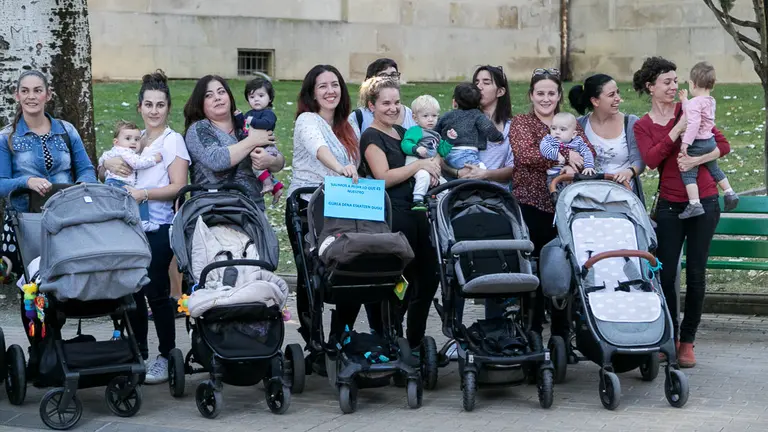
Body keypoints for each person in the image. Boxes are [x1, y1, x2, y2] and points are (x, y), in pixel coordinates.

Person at [632, 57, 731, 368]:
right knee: (665, 274)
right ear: (650, 87)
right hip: (670, 206)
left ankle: (687, 342)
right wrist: (678, 128)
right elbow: (650, 159)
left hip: (705, 201)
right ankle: (668, 336)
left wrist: (695, 162)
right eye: (667, 82)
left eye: (676, 81)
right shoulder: (643, 124)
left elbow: (723, 146)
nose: (674, 87)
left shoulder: (693, 105)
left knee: (697, 274)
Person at [0, 69, 97, 378]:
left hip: (66, 221)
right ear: (17, 96)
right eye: (25, 91)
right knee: (35, 289)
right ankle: (41, 349)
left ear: (47, 95)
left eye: (37, 90)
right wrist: (26, 180)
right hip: (26, 224)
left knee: (62, 286)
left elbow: (86, 169)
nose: (31, 96)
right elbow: (1, 183)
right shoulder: (7, 138)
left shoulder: (66, 131)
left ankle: (56, 349)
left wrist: (81, 188)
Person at [100, 70, 190, 383]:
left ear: (168, 108)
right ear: (140, 106)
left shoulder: (172, 141)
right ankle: (137, 351)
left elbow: (179, 186)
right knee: (132, 292)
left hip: (159, 227)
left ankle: (166, 354)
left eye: (160, 105)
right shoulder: (134, 139)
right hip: (129, 227)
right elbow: (110, 169)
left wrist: (144, 193)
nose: (154, 110)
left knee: (156, 291)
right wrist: (106, 163)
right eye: (148, 104)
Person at [285, 65, 360, 374]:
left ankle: (338, 337)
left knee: (354, 269)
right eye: (323, 86)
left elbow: (355, 167)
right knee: (311, 277)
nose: (330, 90)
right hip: (306, 209)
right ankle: (313, 341)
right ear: (312, 93)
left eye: (335, 84)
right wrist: (340, 168)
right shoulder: (307, 120)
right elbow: (319, 150)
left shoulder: (347, 126)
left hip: (342, 209)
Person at [509, 68, 594, 343]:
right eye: (540, 93)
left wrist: (574, 159)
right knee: (532, 269)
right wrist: (566, 157)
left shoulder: (569, 122)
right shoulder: (522, 123)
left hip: (563, 207)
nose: (546, 99)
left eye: (551, 93)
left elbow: (587, 153)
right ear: (531, 95)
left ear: (559, 96)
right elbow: (526, 155)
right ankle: (531, 332)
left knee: (563, 268)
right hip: (532, 204)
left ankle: (561, 335)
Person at [358, 76, 441, 353]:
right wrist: (420, 165)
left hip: (416, 211)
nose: (393, 108)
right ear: (372, 106)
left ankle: (414, 339)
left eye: (396, 102)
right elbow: (382, 176)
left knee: (429, 276)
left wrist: (431, 170)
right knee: (399, 277)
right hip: (392, 214)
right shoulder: (372, 136)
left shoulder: (401, 133)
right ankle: (390, 336)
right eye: (385, 103)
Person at [183, 75, 284, 211]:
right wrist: (253, 140)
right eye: (209, 95)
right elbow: (216, 160)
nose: (217, 98)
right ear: (200, 102)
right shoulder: (199, 129)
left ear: (229, 96)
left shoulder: (243, 124)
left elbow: (278, 160)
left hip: (253, 211)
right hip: (213, 211)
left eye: (221, 92)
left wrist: (270, 161)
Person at [568, 73, 646, 200]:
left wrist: (629, 172)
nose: (618, 98)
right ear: (595, 101)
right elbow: (563, 148)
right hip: (590, 198)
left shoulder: (630, 123)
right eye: (611, 95)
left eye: (617, 93)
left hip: (624, 197)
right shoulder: (580, 125)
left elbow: (639, 160)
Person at [677, 61, 738, 219]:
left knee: (688, 173)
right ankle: (729, 192)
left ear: (692, 83)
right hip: (710, 141)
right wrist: (685, 101)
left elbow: (693, 123)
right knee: (714, 168)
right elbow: (693, 111)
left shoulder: (695, 103)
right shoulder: (710, 101)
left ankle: (695, 204)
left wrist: (685, 143)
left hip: (696, 143)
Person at [98, 120, 163, 230]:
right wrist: (154, 159)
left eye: (137, 139)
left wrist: (105, 163)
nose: (133, 142)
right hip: (120, 184)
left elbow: (102, 159)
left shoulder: (114, 151)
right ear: (116, 142)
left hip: (112, 184)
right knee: (141, 198)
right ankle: (143, 222)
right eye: (128, 139)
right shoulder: (125, 152)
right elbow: (137, 163)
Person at [234, 77, 284, 203]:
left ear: (270, 98)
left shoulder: (268, 114)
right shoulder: (249, 114)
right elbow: (244, 127)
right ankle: (277, 186)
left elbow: (266, 124)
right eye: (251, 97)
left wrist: (252, 121)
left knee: (257, 167)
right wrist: (240, 117)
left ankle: (268, 184)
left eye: (261, 95)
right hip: (256, 146)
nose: (256, 99)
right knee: (257, 167)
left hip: (266, 147)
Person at [436, 83, 505, 171]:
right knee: (481, 173)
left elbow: (436, 131)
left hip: (446, 153)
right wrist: (498, 137)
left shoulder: (447, 115)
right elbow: (488, 128)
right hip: (466, 154)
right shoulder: (477, 115)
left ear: (454, 102)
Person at [400, 95, 450, 210]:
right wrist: (415, 149)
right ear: (415, 118)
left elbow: (442, 151)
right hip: (415, 161)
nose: (430, 119)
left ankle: (442, 204)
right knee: (423, 176)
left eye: (434, 116)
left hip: (429, 163)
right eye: (425, 116)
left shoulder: (436, 135)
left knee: (444, 184)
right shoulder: (415, 131)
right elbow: (405, 143)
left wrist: (449, 140)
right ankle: (418, 200)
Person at [349, 58, 417, 138]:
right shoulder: (357, 118)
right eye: (383, 76)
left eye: (393, 75)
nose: (390, 79)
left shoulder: (411, 115)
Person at [539, 112, 595, 188]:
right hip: (554, 175)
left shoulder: (578, 141)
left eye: (562, 129)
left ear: (573, 134)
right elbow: (544, 148)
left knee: (579, 190)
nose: (557, 132)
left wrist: (589, 166)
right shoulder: (549, 139)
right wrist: (558, 155)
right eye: (554, 128)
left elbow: (587, 152)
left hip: (574, 174)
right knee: (558, 194)